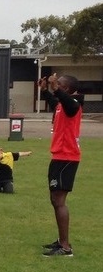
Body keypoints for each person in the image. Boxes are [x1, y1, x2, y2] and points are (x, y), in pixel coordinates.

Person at [40, 73, 83, 257]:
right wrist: (44, 90)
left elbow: (70, 105)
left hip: (67, 158)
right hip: (58, 156)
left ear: (65, 89)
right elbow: (54, 101)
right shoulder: (60, 105)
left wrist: (55, 87)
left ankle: (65, 247)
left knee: (59, 201)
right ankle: (61, 241)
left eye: (59, 85)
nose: (55, 86)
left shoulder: (74, 104)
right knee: (54, 200)